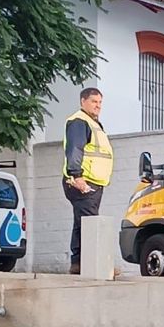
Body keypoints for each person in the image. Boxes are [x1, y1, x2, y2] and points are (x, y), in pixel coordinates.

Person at [63, 88, 114, 274]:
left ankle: (78, 264)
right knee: (90, 222)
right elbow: (75, 149)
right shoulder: (79, 121)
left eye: (100, 102)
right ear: (83, 101)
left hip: (92, 182)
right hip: (83, 182)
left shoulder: (93, 123)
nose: (98, 106)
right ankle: (96, 265)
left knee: (82, 222)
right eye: (94, 101)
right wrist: (77, 176)